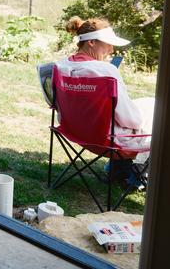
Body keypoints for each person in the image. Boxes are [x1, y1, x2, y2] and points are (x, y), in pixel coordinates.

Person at [55, 16, 153, 171]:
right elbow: (132, 121)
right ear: (91, 42)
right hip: (108, 141)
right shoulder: (106, 72)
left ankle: (119, 171)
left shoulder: (60, 67)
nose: (111, 50)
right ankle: (135, 175)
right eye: (108, 44)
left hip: (75, 130)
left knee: (147, 103)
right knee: (159, 118)